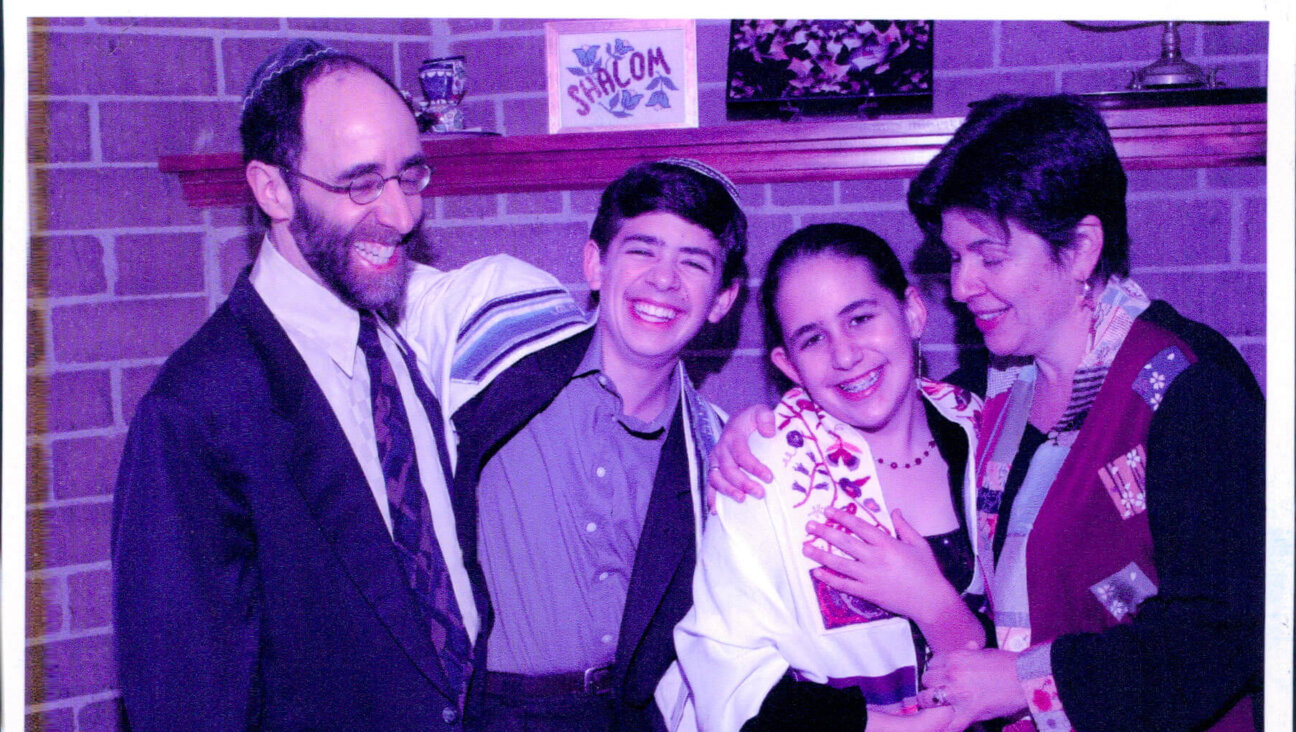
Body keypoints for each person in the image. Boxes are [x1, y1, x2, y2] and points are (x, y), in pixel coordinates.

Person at [709, 95, 1265, 732]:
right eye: (955, 257)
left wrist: (1027, 680)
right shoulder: (998, 386)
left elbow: (1222, 635)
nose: (964, 285)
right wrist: (754, 423)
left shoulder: (1189, 388)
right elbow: (876, 387)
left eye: (990, 257)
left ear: (1081, 248)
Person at [113, 39, 587, 730]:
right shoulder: (197, 409)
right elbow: (188, 706)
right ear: (272, 188)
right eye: (361, 183)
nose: (400, 215)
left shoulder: (398, 342)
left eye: (411, 175)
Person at [446, 159, 745, 731]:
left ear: (722, 300)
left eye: (694, 262)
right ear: (594, 264)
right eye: (642, 250)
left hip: (626, 718)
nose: (664, 278)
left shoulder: (712, 447)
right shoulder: (494, 353)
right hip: (486, 711)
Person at [673, 224, 986, 732]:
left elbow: (1044, 642)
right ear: (788, 365)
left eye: (860, 318)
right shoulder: (763, 469)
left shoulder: (986, 434)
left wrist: (935, 605)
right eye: (813, 339)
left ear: (912, 311)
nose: (845, 356)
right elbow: (727, 669)